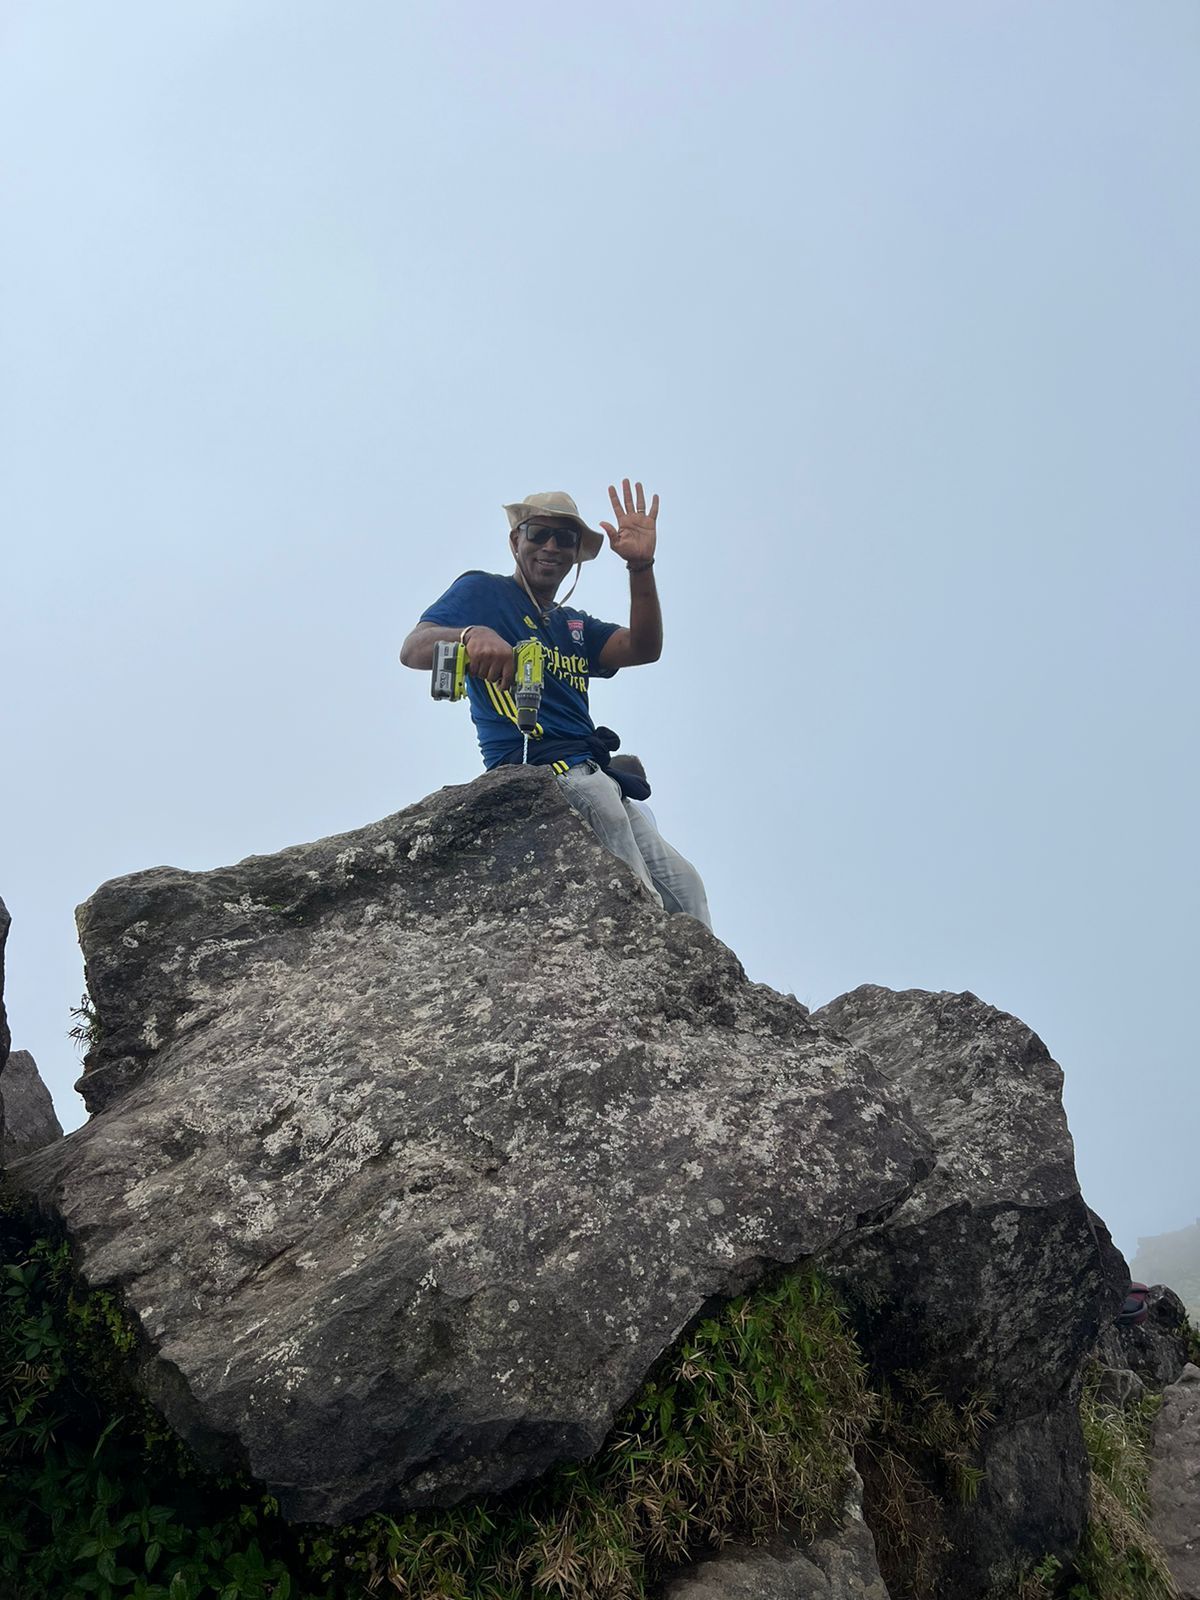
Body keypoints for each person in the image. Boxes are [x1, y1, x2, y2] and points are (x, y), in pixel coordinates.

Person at [400, 481, 711, 927]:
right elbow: (414, 648)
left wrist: (641, 566)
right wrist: (470, 635)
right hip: (540, 768)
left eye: (564, 539)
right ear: (515, 541)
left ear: (575, 553)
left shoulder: (573, 625)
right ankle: (646, 954)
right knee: (625, 857)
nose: (550, 546)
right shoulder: (482, 592)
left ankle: (705, 981)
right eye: (538, 534)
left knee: (686, 885)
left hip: (592, 769)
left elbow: (643, 647)